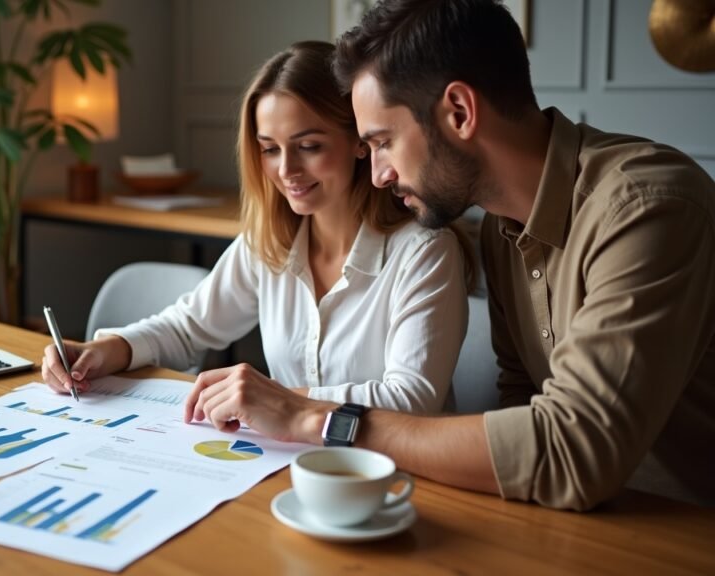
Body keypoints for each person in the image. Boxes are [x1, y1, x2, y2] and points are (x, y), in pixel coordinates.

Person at [186, 0, 715, 510]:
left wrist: (314, 416)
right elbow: (523, 399)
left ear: (459, 111)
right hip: (572, 520)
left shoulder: (646, 209)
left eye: (384, 141)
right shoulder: (500, 226)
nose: (377, 174)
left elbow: (570, 450)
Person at [42, 41, 472, 415]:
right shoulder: (270, 243)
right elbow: (189, 326)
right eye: (269, 149)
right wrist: (107, 350)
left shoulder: (425, 251)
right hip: (290, 462)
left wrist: (278, 400)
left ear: (360, 141)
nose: (287, 170)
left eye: (309, 146)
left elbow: (413, 399)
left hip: (394, 476)